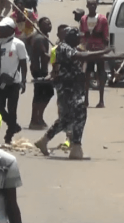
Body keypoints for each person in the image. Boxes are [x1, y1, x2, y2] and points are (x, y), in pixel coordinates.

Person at [35, 28, 111, 159]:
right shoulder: (64, 48)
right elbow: (82, 56)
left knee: (65, 119)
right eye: (77, 37)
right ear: (70, 37)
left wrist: (118, 56)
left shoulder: (69, 47)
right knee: (80, 114)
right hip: (68, 89)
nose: (79, 40)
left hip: (72, 88)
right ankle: (76, 148)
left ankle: (44, 141)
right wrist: (104, 51)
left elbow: (88, 55)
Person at [80, 0, 109, 108]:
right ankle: (86, 99)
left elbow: (106, 36)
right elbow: (81, 35)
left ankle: (101, 100)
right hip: (88, 51)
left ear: (96, 5)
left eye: (94, 4)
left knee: (101, 74)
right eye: (90, 4)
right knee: (87, 75)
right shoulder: (83, 19)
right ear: (87, 6)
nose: (92, 6)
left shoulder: (102, 19)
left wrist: (105, 49)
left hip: (99, 50)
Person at [29, 17, 53, 130]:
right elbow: (44, 55)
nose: (49, 25)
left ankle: (39, 117)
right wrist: (58, 57)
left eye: (49, 23)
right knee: (42, 94)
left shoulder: (43, 37)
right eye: (46, 24)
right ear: (40, 26)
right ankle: (35, 119)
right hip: (38, 70)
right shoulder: (39, 38)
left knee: (43, 94)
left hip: (41, 69)